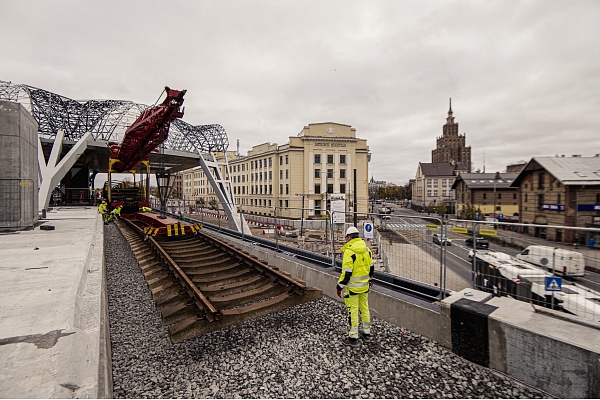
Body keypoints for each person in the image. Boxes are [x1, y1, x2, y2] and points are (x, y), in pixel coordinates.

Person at [336, 226, 374, 348]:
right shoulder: (367, 250)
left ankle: (353, 337)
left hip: (353, 288)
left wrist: (339, 286)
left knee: (353, 310)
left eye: (346, 238)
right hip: (365, 286)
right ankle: (366, 334)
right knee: (364, 308)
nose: (346, 240)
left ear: (349, 237)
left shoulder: (349, 252)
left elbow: (346, 273)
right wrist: (369, 280)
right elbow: (371, 268)